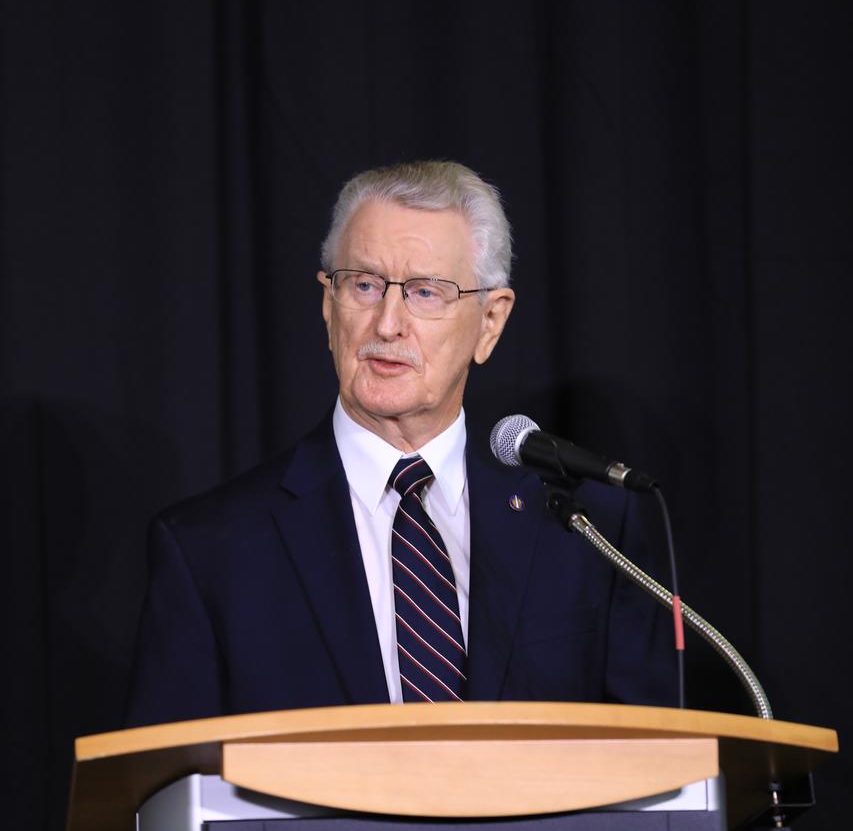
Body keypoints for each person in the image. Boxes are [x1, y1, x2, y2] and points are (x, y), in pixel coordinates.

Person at [124, 160, 672, 725]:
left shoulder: (591, 532)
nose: (387, 323)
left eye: (425, 293)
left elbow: (654, 774)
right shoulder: (211, 552)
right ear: (327, 305)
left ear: (490, 322)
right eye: (363, 285)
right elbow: (168, 794)